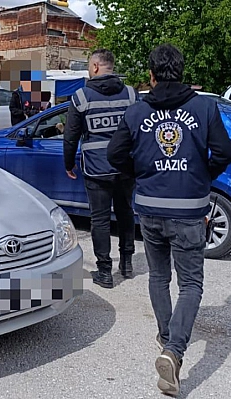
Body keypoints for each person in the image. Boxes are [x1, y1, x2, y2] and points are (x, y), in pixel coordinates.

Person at [106, 44, 231, 397]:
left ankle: (166, 338)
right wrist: (200, 175)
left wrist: (142, 173)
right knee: (191, 284)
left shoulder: (137, 111)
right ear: (181, 70)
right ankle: (174, 351)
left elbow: (114, 153)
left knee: (160, 277)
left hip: (148, 207)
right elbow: (225, 152)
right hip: (190, 208)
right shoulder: (204, 107)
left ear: (151, 74)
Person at [63, 49, 138, 289]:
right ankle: (126, 263)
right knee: (126, 213)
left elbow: (70, 136)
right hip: (126, 166)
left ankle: (105, 272)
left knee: (100, 219)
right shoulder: (131, 94)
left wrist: (68, 163)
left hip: (97, 168)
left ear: (95, 67)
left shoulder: (81, 97)